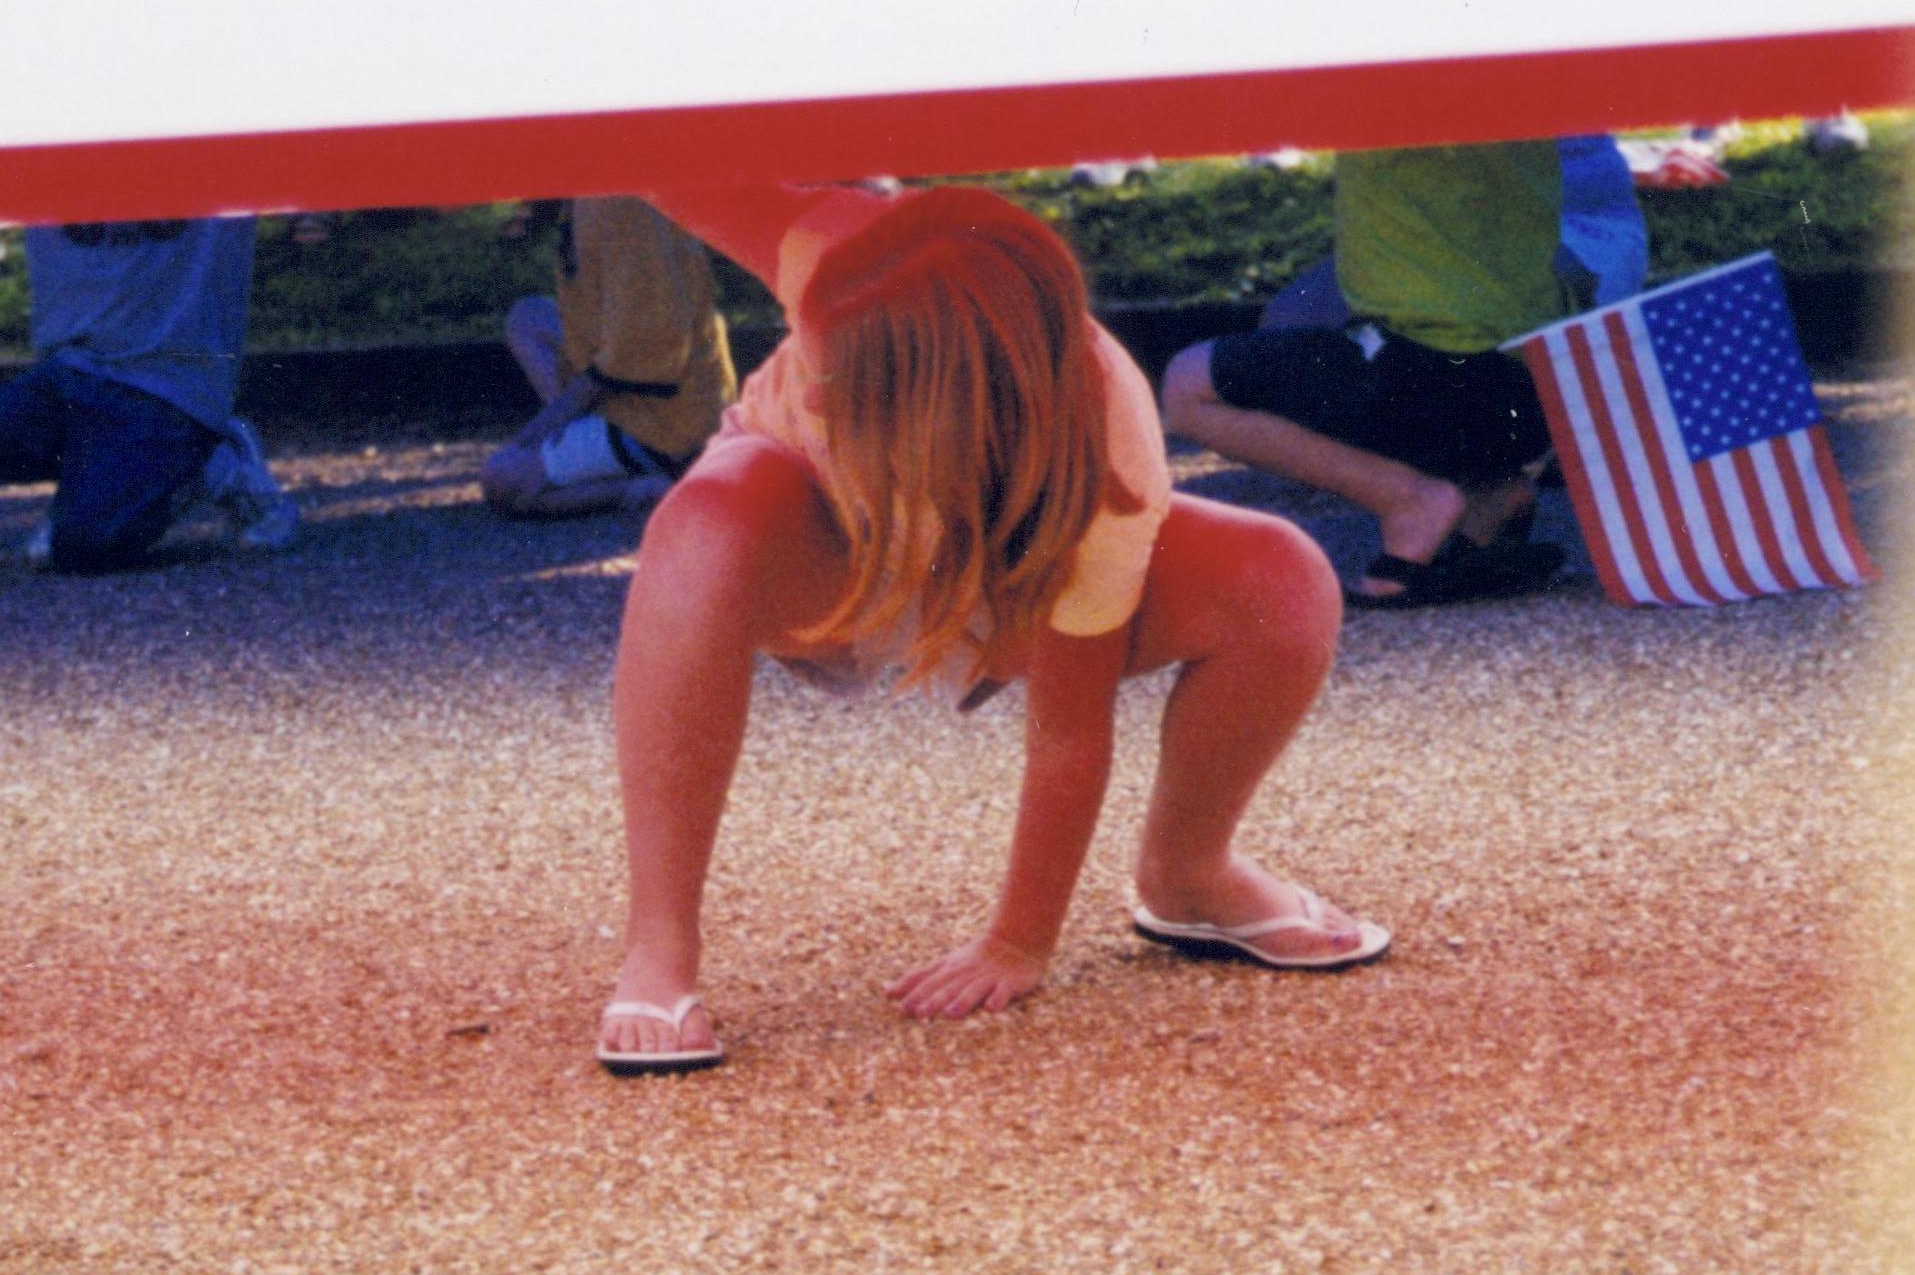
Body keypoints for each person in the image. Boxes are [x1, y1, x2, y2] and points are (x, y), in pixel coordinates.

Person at [595, 182, 1390, 1075]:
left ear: (955, 403)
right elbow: (668, 164)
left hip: (999, 568)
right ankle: (658, 946)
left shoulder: (1099, 445)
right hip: (823, 552)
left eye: (837, 386)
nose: (808, 399)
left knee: (1278, 580)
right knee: (702, 519)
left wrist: (1019, 941)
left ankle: (1189, 873)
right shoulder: (834, 244)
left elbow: (1066, 730)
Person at [1158, 136, 1646, 607]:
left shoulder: (1377, 94)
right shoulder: (1518, 97)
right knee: (1346, 335)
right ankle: (1490, 493)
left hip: (1430, 385)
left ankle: (1408, 502)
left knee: (1189, 386)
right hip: (1539, 393)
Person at [0, 216, 297, 572]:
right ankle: (102, 490)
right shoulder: (43, 162)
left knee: (85, 550)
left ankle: (213, 463)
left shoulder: (210, 163)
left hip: (168, 383)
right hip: (74, 366)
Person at [482, 195, 737, 519]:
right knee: (528, 318)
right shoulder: (590, 197)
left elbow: (645, 343)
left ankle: (641, 488)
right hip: (638, 388)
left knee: (504, 478)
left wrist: (555, 417)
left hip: (667, 420)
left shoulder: (621, 203)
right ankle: (580, 449)